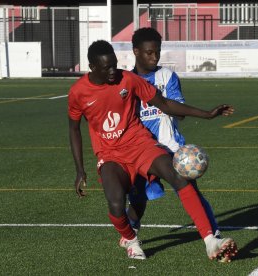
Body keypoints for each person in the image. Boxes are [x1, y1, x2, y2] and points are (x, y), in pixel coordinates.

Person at [68, 40, 237, 261]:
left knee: (177, 175)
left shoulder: (128, 79)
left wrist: (207, 114)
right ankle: (130, 240)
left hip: (140, 144)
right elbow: (74, 129)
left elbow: (165, 104)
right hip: (110, 154)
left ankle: (210, 241)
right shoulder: (78, 92)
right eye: (106, 67)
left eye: (114, 64)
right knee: (116, 203)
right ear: (92, 67)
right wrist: (80, 169)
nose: (113, 71)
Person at [126, 27, 221, 245]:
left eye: (157, 51)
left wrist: (192, 113)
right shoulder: (127, 81)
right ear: (136, 51)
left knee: (191, 191)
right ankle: (131, 231)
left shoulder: (167, 76)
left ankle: (213, 234)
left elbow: (174, 106)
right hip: (141, 148)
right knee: (138, 198)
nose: (154, 56)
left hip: (170, 146)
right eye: (149, 52)